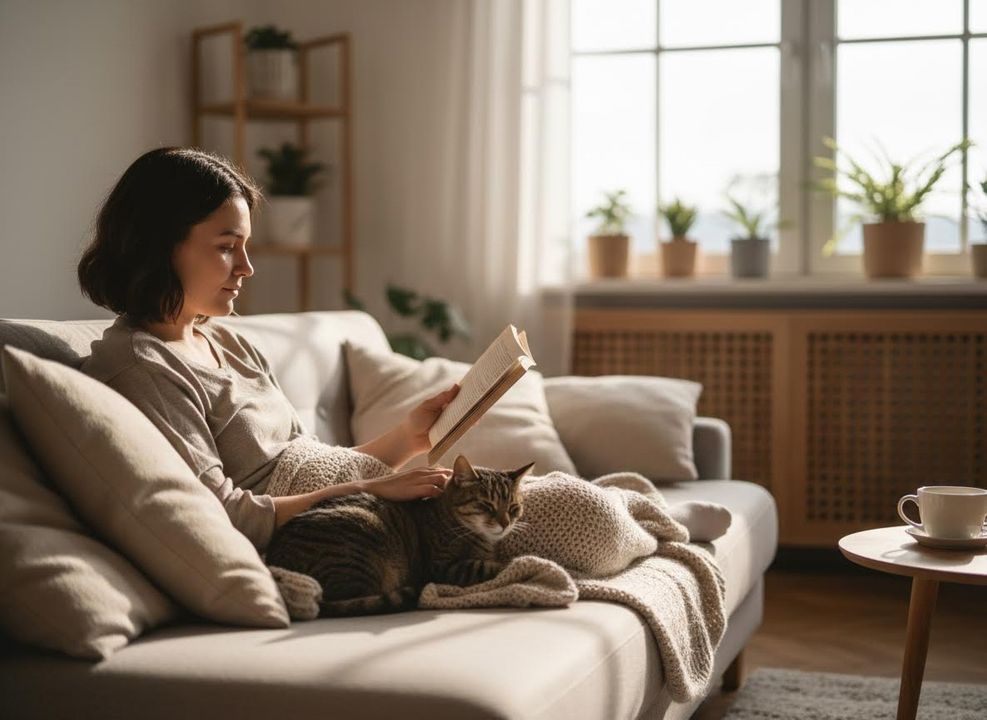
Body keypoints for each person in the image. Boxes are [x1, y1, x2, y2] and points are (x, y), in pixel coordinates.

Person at [77, 146, 460, 553]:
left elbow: (315, 467)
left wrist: (410, 438)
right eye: (227, 247)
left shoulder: (230, 341)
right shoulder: (142, 369)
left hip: (355, 509)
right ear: (159, 247)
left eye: (245, 246)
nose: (246, 267)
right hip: (335, 535)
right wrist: (374, 492)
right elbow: (222, 513)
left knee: (516, 496)